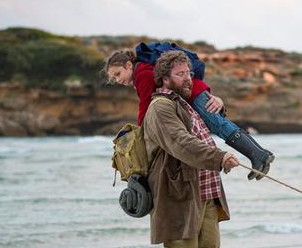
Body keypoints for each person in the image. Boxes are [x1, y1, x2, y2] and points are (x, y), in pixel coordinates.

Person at [139, 50, 239, 248]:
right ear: (164, 78)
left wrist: (219, 102)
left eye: (189, 73)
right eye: (180, 74)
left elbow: (212, 126)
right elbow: (181, 142)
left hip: (206, 186)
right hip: (178, 189)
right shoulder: (160, 107)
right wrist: (220, 158)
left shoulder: (188, 103)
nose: (187, 78)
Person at [104, 49, 274, 180]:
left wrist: (142, 130)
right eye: (113, 78)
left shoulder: (141, 73)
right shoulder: (142, 72)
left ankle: (258, 154)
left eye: (118, 74)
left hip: (194, 92)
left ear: (128, 65)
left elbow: (146, 105)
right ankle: (258, 154)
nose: (117, 80)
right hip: (193, 92)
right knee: (219, 124)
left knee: (219, 125)